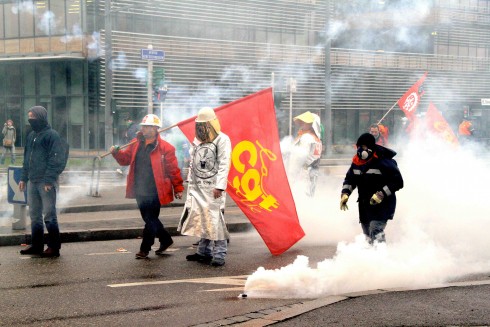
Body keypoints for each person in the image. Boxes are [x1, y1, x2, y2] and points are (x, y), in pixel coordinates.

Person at [111, 114, 184, 259]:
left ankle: (145, 249)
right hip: (139, 188)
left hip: (156, 189)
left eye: (147, 126)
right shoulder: (135, 143)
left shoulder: (166, 148)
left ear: (156, 128)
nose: (144, 129)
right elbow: (125, 160)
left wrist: (178, 188)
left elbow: (173, 169)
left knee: (150, 219)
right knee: (149, 218)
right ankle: (165, 239)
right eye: (143, 126)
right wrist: (116, 153)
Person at [178, 107, 232, 267]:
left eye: (204, 125)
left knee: (216, 220)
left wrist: (220, 187)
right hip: (198, 187)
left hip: (213, 187)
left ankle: (220, 255)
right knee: (203, 219)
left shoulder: (222, 139)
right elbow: (194, 162)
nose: (202, 128)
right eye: (199, 125)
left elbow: (224, 164)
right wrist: (190, 181)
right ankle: (203, 252)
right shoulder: (198, 140)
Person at [340, 133, 404, 244]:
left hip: (383, 204)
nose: (360, 150)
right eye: (359, 146)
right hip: (365, 204)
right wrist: (345, 193)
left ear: (370, 147)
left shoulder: (383, 161)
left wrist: (381, 194)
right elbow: (350, 179)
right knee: (367, 234)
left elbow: (398, 182)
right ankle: (370, 258)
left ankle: (380, 256)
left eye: (363, 147)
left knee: (376, 229)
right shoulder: (356, 162)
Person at [19, 106, 65, 257]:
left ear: (41, 117)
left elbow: (56, 159)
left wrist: (49, 180)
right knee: (35, 216)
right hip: (32, 181)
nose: (30, 120)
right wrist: (23, 178)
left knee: (49, 216)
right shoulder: (31, 135)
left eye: (33, 117)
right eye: (29, 116)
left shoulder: (52, 136)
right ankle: (37, 245)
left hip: (45, 183)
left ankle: (54, 247)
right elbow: (27, 159)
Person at [290, 111, 322, 197]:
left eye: (305, 122)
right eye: (301, 121)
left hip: (303, 173)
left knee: (299, 196)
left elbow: (299, 157)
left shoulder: (306, 137)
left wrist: (291, 173)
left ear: (312, 124)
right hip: (312, 172)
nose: (301, 124)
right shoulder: (316, 139)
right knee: (309, 195)